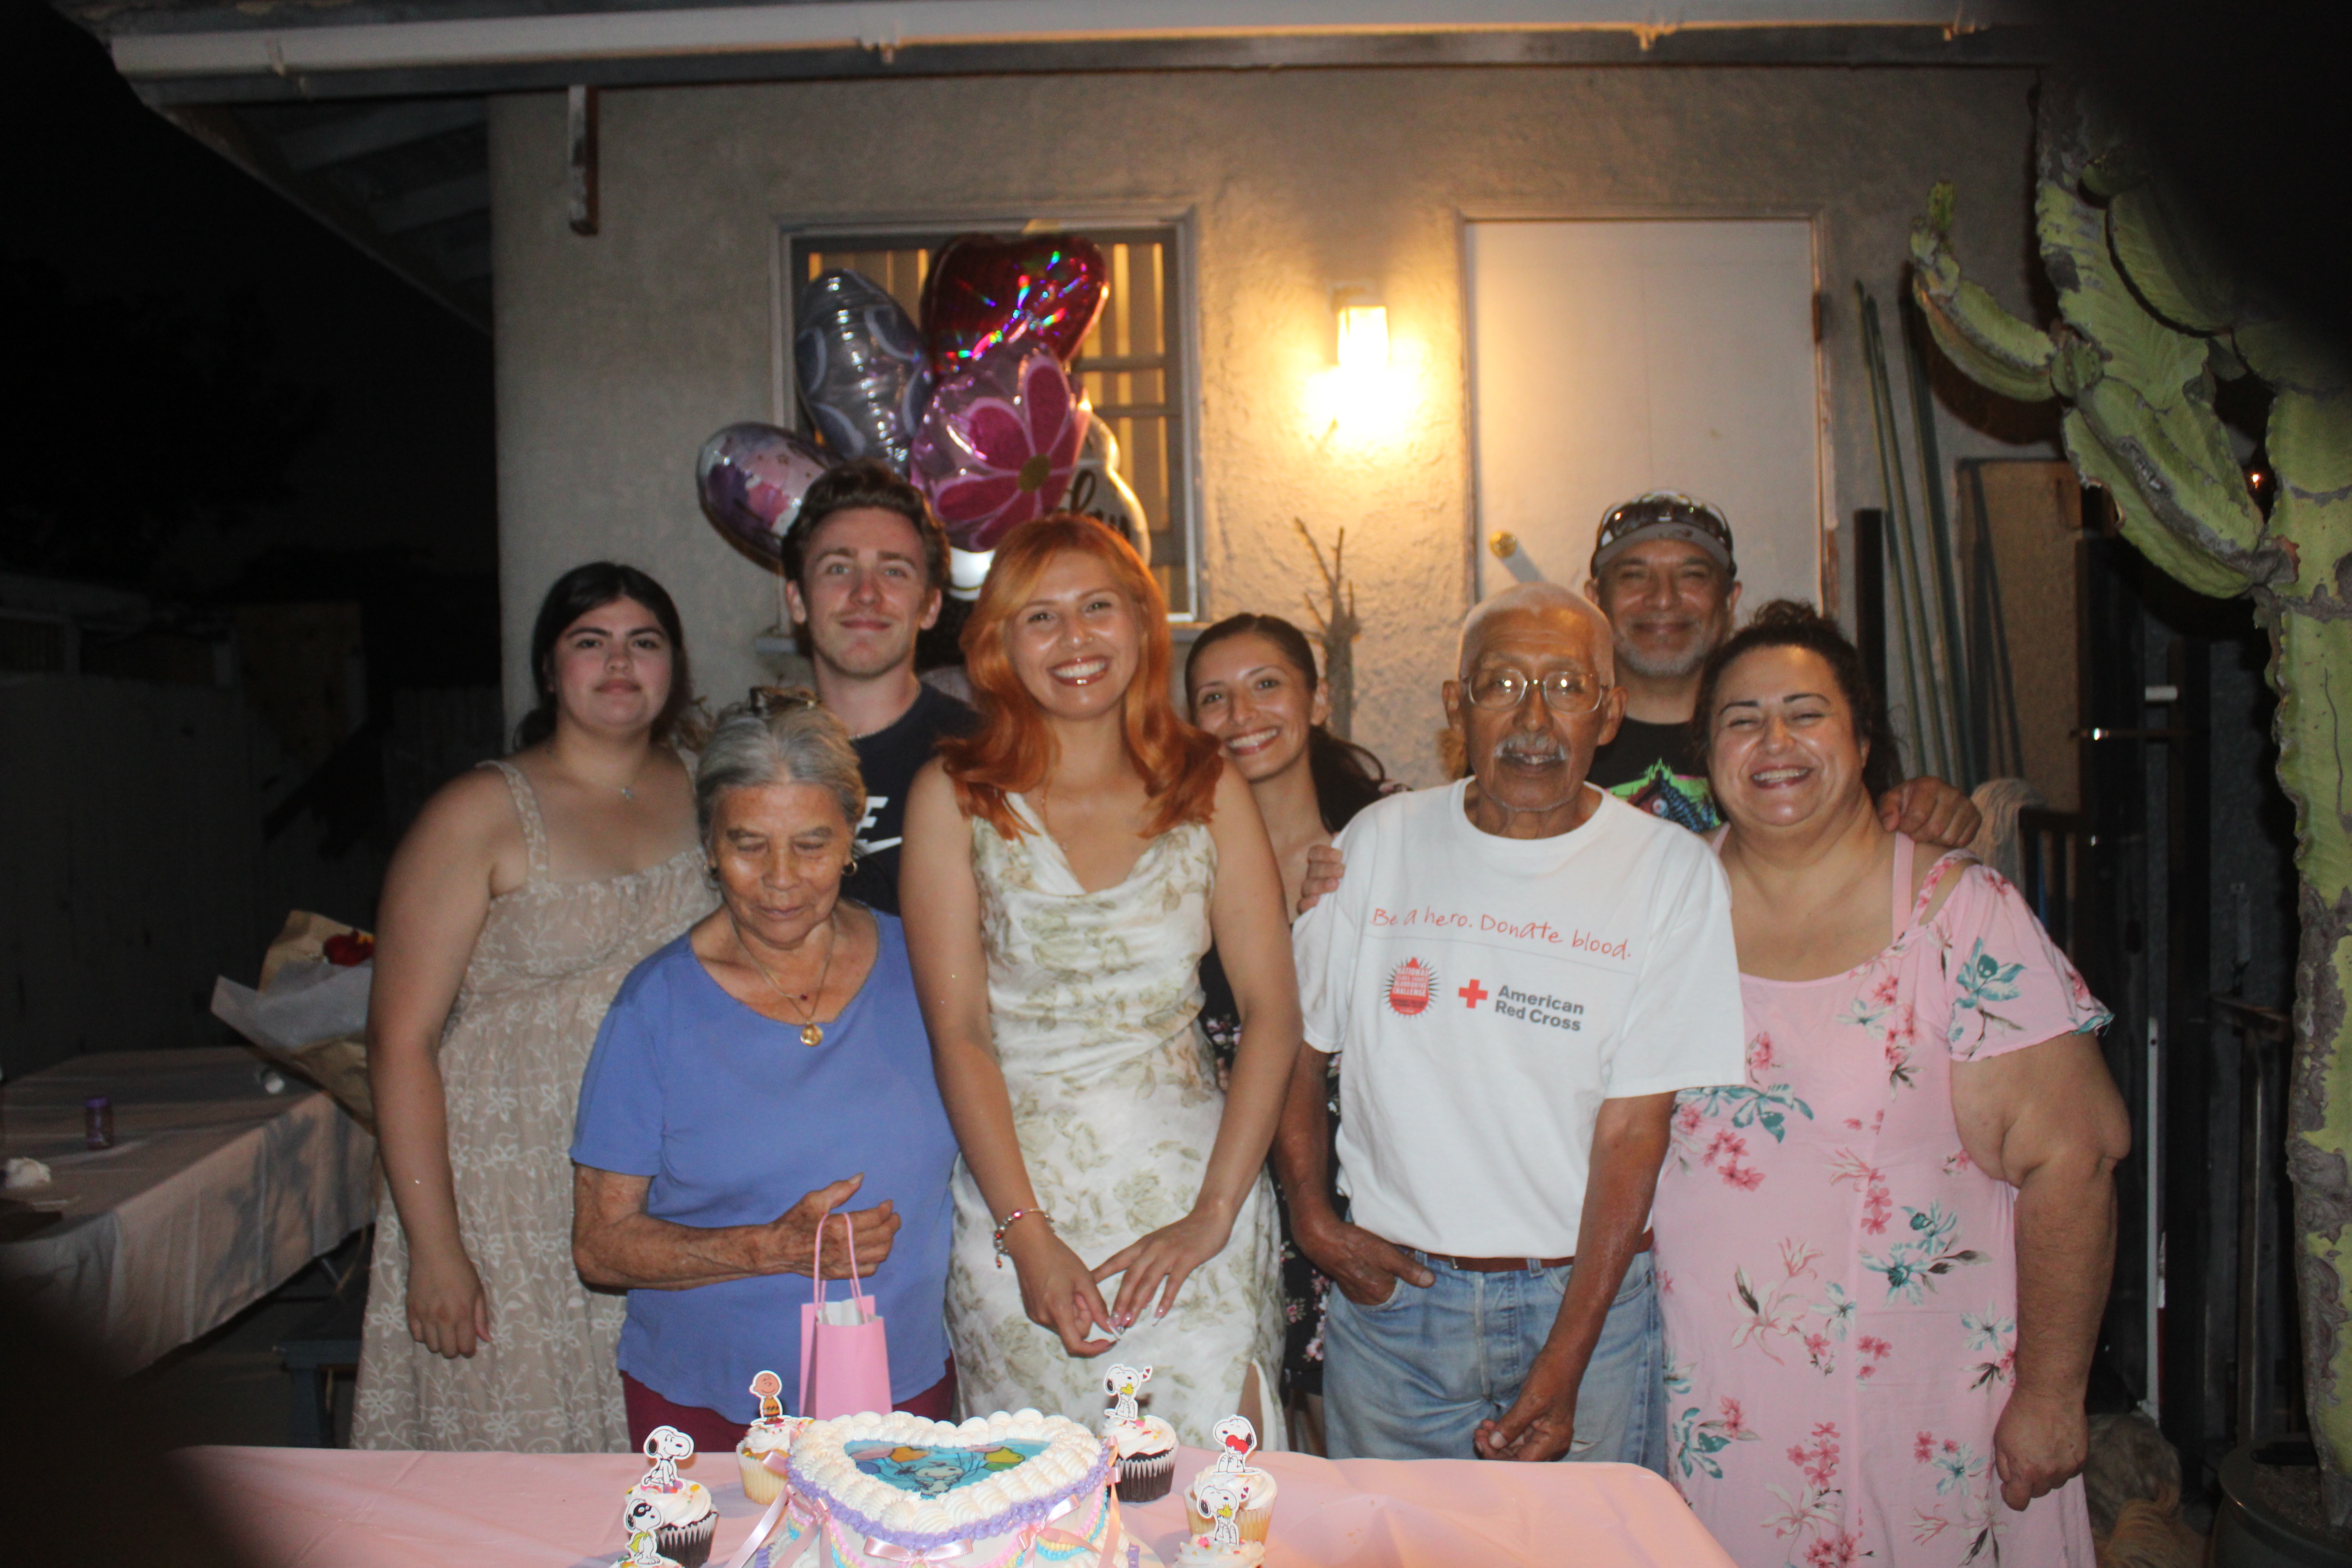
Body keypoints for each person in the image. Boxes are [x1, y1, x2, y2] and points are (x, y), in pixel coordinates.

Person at [1651, 602, 2125, 1566]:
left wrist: (2051, 1394)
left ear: (1864, 742)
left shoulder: (1962, 918)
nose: (1774, 741)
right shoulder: (1660, 909)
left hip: (1934, 1423)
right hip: (1720, 1422)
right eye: (1742, 719)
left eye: (1806, 712)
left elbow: (2075, 1158)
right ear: (1707, 757)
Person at [1285, 582, 1746, 1466]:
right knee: (1390, 1536)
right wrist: (1312, 1217)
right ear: (1456, 706)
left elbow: (1634, 1131)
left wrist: (1570, 1353)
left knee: (1586, 1538)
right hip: (1394, 1307)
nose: (1534, 720)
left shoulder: (1670, 872)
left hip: (1587, 1304)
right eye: (1501, 685)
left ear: (1609, 713)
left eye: (1568, 688)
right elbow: (1296, 1052)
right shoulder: (1378, 843)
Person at [899, 514, 1299, 1443]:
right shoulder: (954, 796)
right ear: (1000, 645)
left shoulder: (1208, 785)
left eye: (1097, 608)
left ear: (1142, 622)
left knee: (1215, 1491)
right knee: (1041, 1493)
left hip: (1197, 1204)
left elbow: (1275, 1012)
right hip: (1024, 1213)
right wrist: (1027, 1232)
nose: (1074, 638)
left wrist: (1213, 1215)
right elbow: (960, 1035)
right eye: (1040, 617)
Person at [355, 563, 715, 1452]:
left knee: (664, 1446)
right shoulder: (477, 811)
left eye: (643, 642)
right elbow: (400, 1040)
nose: (619, 663)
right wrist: (437, 1247)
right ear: (550, 669)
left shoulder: (714, 791)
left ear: (674, 666)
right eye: (590, 642)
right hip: (509, 1193)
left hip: (668, 1178)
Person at [569, 692, 959, 1449]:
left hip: (902, 1389)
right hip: (712, 1408)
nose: (782, 879)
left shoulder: (925, 965)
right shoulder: (655, 1007)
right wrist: (774, 1248)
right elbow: (600, 1246)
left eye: (811, 845)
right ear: (710, 846)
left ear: (851, 840)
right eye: (749, 845)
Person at [1183, 613, 1395, 1453]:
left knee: (1369, 1452)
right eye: (1214, 698)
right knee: (1261, 1443)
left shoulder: (1382, 843)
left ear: (1318, 699)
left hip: (1364, 1180)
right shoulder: (1172, 866)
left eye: (1266, 685)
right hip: (1227, 1183)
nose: (1242, 715)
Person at [1583, 490, 1980, 846]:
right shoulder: (1566, 740)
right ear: (1594, 601)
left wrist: (1925, 809)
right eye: (1634, 576)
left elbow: (1874, 833)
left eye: (1692, 575)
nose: (1664, 599)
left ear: (1730, 601)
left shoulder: (1809, 739)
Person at [780, 459, 978, 915]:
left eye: (893, 572)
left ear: (930, 606)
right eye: (838, 568)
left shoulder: (984, 755)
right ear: (797, 601)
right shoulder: (756, 759)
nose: (865, 593)